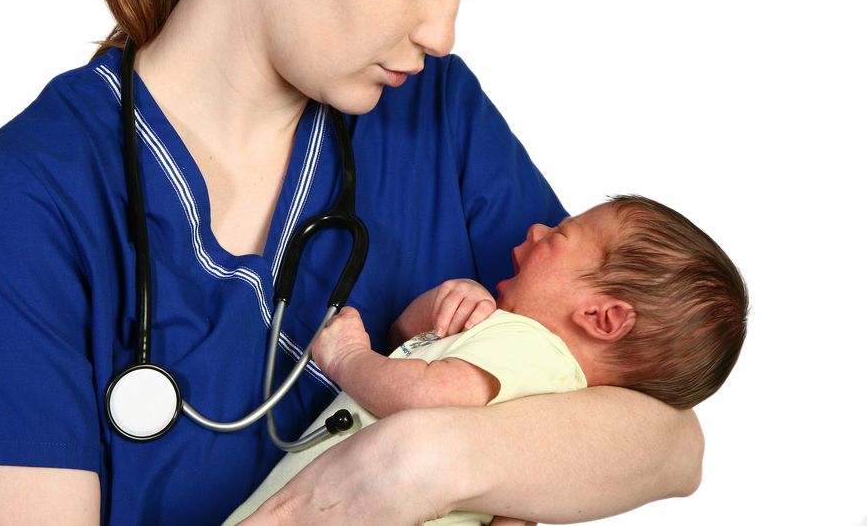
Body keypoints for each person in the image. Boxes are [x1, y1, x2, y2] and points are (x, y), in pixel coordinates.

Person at [0, 0, 704, 524]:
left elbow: (667, 436)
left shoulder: (436, 114)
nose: (442, 33)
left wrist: (425, 463)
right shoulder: (38, 190)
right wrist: (519, 466)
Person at [227, 195, 747, 524]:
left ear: (602, 318)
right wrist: (431, 313)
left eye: (560, 236)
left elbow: (421, 394)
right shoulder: (549, 395)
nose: (537, 229)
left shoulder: (530, 345)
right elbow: (414, 351)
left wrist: (348, 357)